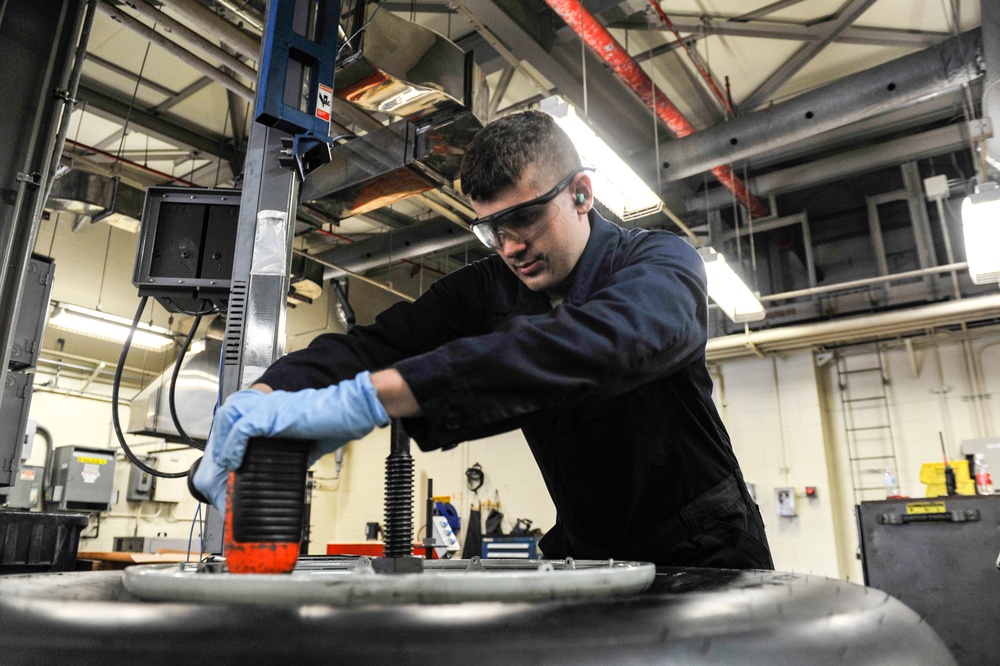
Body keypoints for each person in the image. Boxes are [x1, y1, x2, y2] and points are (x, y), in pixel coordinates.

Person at [194, 110, 773, 569]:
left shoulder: (658, 263)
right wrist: (267, 393)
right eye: (491, 228)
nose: (509, 245)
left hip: (705, 545)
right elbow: (375, 346)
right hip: (591, 547)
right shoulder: (482, 290)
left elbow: (603, 343)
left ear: (582, 194)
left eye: (523, 219)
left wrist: (378, 398)